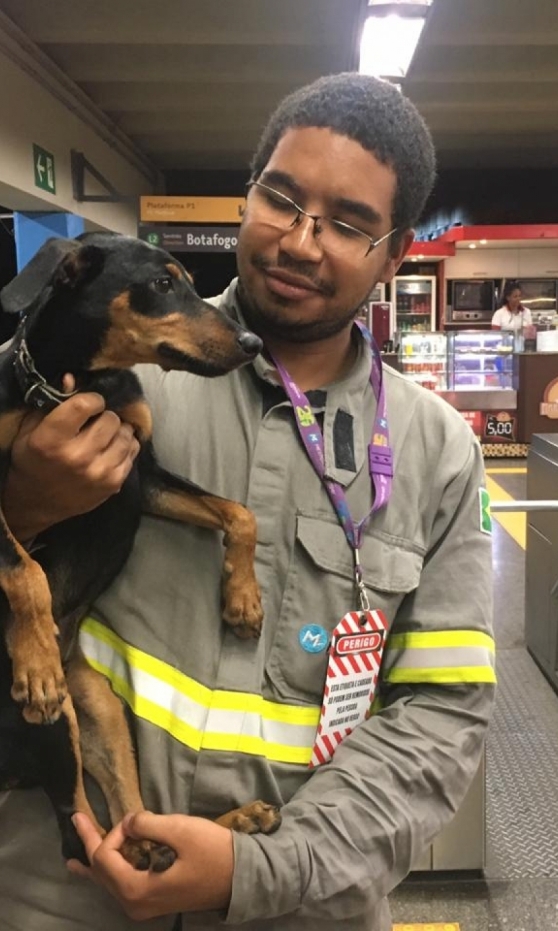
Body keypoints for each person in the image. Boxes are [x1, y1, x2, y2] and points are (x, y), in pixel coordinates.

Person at [0, 73, 496, 930]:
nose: (301, 242)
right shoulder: (108, 381)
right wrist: (25, 503)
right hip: (61, 890)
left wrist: (263, 868)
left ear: (397, 252)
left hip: (295, 904)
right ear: (247, 194)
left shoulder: (437, 453)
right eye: (281, 199)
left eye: (346, 224)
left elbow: (441, 717)